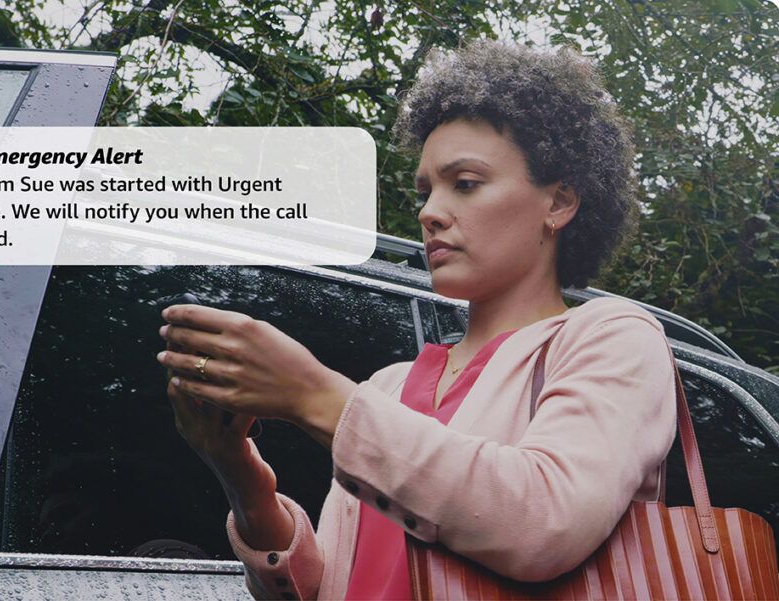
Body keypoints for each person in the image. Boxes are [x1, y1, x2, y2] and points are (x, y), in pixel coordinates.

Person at [156, 38, 677, 600]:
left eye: (466, 184)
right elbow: (338, 586)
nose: (429, 212)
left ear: (559, 203)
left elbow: (543, 524)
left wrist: (316, 396)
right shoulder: (390, 386)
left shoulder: (611, 337)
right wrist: (242, 477)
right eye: (425, 190)